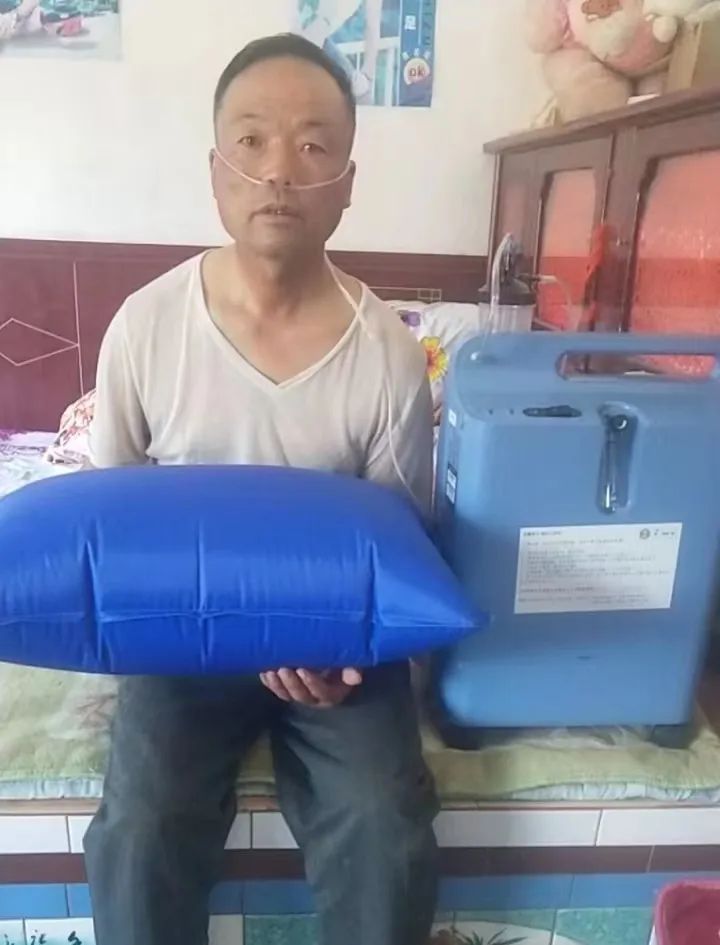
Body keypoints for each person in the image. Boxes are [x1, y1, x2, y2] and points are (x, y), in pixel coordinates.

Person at [84, 32, 438, 945]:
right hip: (183, 637)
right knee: (142, 822)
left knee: (385, 821)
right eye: (251, 140)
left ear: (347, 183)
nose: (279, 169)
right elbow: (111, 528)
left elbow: (397, 548)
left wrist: (337, 651)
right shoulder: (146, 327)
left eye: (314, 144)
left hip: (332, 653)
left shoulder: (389, 356)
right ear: (216, 170)